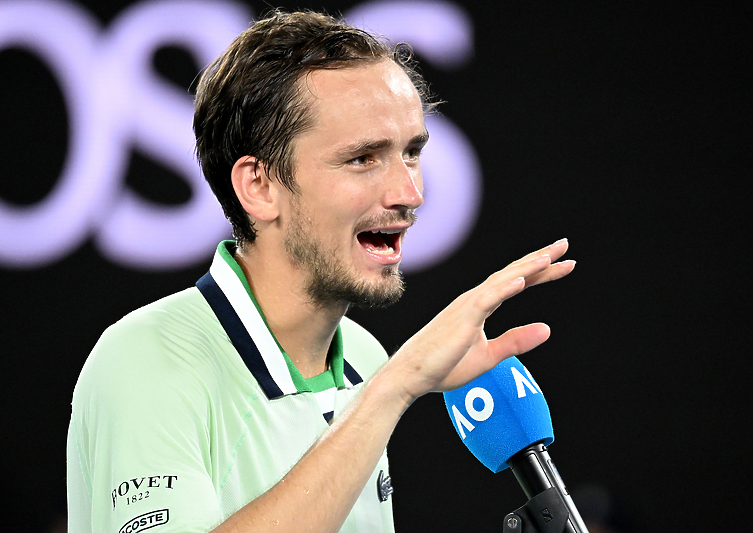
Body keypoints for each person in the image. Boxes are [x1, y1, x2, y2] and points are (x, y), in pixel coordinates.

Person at [66, 10, 575, 533]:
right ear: (259, 187)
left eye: (411, 153)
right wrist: (394, 388)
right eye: (362, 158)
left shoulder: (361, 356)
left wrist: (385, 385)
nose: (410, 194)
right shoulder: (142, 362)